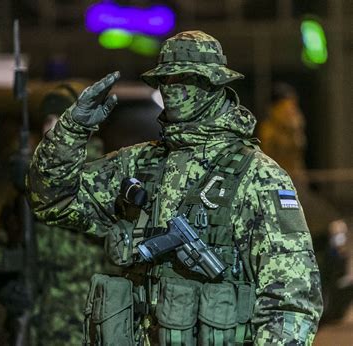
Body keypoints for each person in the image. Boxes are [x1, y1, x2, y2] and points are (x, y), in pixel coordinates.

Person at [27, 31, 323, 345]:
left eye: (184, 78)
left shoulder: (257, 176)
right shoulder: (139, 163)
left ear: (213, 83)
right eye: (164, 80)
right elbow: (51, 199)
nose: (171, 90)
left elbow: (292, 301)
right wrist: (73, 129)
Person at [0, 83, 108, 345]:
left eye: (63, 120)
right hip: (33, 320)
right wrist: (2, 283)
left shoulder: (101, 172)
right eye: (50, 120)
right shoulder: (26, 183)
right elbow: (2, 241)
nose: (53, 128)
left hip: (81, 318)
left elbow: (87, 208)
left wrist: (35, 181)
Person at [259, 82, 352, 323]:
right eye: (287, 104)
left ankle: (330, 276)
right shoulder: (275, 126)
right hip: (287, 191)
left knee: (329, 231)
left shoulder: (279, 125)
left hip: (295, 188)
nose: (292, 108)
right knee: (323, 231)